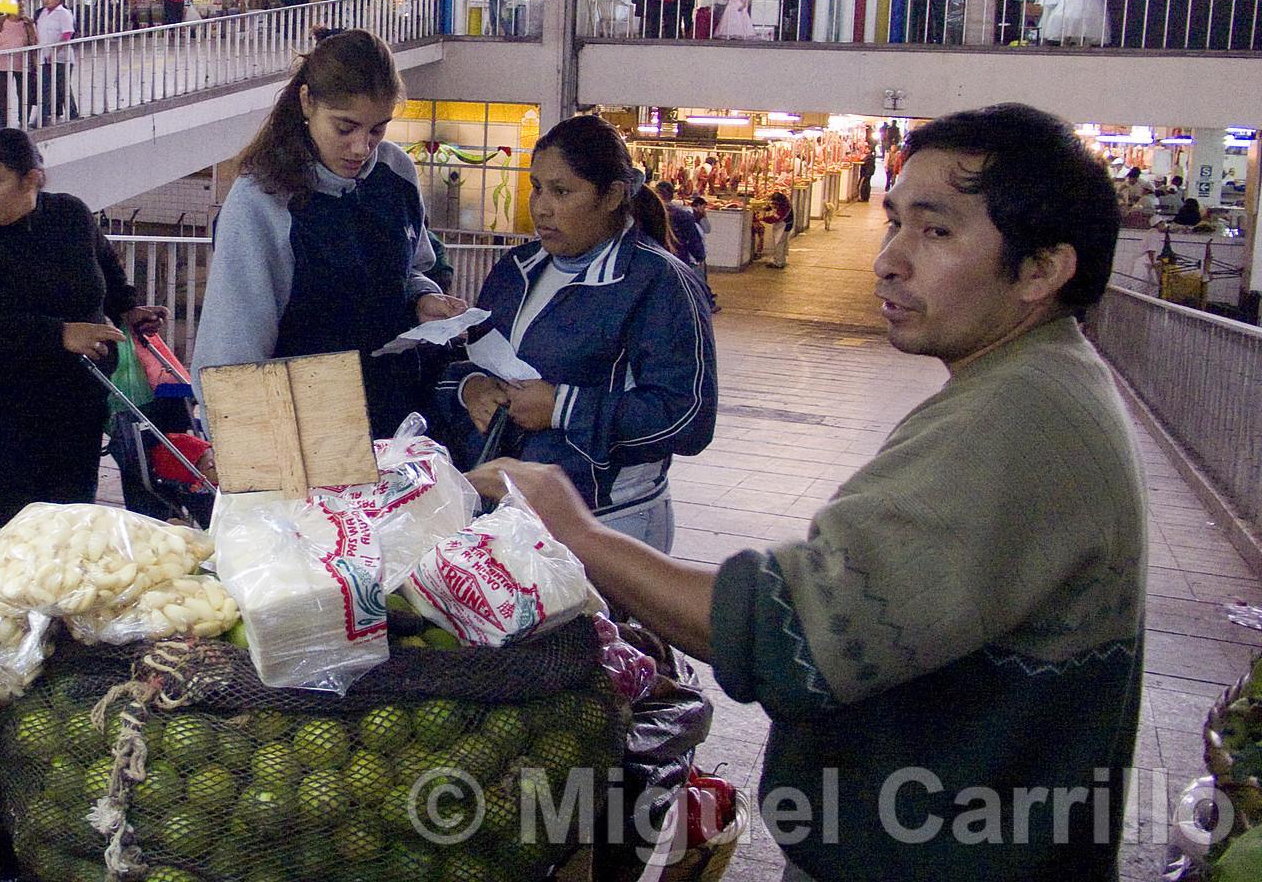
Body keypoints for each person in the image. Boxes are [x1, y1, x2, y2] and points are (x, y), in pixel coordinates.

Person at [474, 102, 1139, 881]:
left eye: (936, 230)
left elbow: (791, 631)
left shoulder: (1019, 420)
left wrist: (576, 532)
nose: (888, 259)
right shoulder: (1032, 385)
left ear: (1041, 269)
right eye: (894, 222)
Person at [437, 117, 716, 551]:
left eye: (561, 191)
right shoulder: (516, 269)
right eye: (537, 187)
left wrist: (562, 408)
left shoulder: (658, 283)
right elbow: (467, 358)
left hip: (609, 524)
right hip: (506, 515)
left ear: (612, 196)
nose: (542, 207)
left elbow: (687, 419)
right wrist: (472, 388)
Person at [193, 29, 468, 437]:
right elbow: (229, 360)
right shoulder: (262, 199)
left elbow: (412, 268)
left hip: (400, 423)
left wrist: (423, 298)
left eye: (378, 129)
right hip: (306, 434)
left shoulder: (397, 172)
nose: (362, 147)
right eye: (345, 128)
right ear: (307, 103)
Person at [0, 129, 167, 514]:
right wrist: (59, 334)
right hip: (3, 419)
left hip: (76, 409)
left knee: (72, 518)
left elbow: (104, 267)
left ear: (31, 179)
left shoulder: (70, 215)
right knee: (13, 529)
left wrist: (127, 308)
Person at [0, 10, 39, 129]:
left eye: (22, 8)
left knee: (24, 94)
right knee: (2, 94)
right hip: (2, 64)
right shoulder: (0, 22)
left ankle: (23, 119)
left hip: (23, 64)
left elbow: (35, 41)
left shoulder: (28, 23)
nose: (20, 11)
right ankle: (2, 122)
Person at [35, 0, 79, 124]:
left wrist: (55, 52)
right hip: (44, 56)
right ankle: (42, 116)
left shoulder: (63, 13)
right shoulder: (42, 13)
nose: (46, 0)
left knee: (62, 86)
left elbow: (67, 34)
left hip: (61, 57)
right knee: (45, 87)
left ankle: (72, 113)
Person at [761, 190, 794, 269]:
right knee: (782, 243)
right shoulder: (784, 203)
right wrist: (767, 208)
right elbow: (774, 207)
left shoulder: (784, 207)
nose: (774, 204)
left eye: (775, 202)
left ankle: (778, 263)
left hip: (784, 225)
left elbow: (775, 218)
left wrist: (763, 218)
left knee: (779, 243)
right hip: (785, 224)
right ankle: (781, 260)